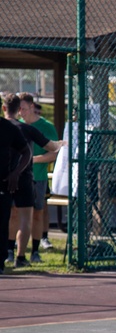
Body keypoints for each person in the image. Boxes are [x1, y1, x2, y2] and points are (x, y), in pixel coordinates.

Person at [3, 93, 61, 269]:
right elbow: (51, 146)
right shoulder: (25, 129)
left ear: (4, 108)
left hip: (6, 178)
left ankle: (10, 253)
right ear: (19, 110)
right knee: (24, 218)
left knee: (8, 216)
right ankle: (19, 256)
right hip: (24, 177)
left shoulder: (6, 127)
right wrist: (61, 144)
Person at [18, 95, 58, 257]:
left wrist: (32, 160)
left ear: (32, 107)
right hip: (17, 178)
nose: (21, 113)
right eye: (19, 109)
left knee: (38, 212)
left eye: (24, 109)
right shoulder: (16, 125)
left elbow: (54, 152)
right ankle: (12, 250)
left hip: (38, 177)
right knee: (15, 212)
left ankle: (36, 250)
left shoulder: (46, 127)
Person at [1, 111, 32, 273]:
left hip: (4, 183)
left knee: (3, 222)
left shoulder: (9, 128)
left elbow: (26, 152)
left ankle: (3, 259)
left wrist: (16, 172)